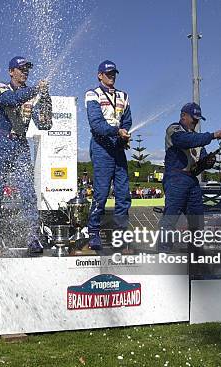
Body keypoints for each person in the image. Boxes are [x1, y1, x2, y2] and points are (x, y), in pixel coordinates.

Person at [0, 56, 52, 255]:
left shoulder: (33, 95)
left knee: (27, 193)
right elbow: (10, 100)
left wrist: (46, 97)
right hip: (2, 141)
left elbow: (44, 123)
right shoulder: (1, 87)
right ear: (11, 71)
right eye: (21, 69)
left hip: (21, 144)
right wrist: (36, 90)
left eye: (27, 69)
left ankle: (32, 236)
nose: (25, 72)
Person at [158, 103, 221, 256]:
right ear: (183, 116)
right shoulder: (174, 129)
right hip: (175, 177)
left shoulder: (197, 138)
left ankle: (196, 253)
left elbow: (201, 161)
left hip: (192, 179)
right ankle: (163, 252)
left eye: (197, 120)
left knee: (197, 220)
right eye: (193, 119)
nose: (196, 122)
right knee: (170, 218)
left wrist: (208, 161)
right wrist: (212, 135)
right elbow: (183, 141)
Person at [85, 60, 132, 250]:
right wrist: (116, 131)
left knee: (123, 194)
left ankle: (120, 234)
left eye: (114, 73)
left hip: (117, 148)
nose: (112, 76)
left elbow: (127, 121)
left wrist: (124, 135)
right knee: (101, 193)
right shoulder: (92, 94)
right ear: (100, 75)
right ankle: (94, 232)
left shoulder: (123, 96)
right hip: (101, 146)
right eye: (108, 73)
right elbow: (96, 123)